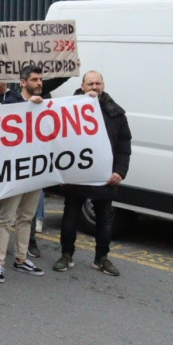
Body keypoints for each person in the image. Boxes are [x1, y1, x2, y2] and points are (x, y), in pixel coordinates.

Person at [54, 71, 131, 276]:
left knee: (104, 220)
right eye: (90, 83)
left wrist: (120, 172)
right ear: (82, 85)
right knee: (70, 218)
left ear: (103, 85)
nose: (94, 87)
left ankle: (101, 258)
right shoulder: (68, 108)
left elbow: (124, 145)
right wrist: (61, 173)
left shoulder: (116, 113)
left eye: (98, 83)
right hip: (76, 175)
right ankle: (66, 255)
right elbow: (57, 141)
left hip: (104, 176)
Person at [0, 65, 48, 283]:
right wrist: (26, 107)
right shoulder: (11, 103)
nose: (39, 83)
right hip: (15, 171)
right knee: (6, 218)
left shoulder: (45, 104)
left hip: (36, 170)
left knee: (27, 218)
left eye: (40, 79)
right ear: (23, 82)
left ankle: (21, 259)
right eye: (34, 79)